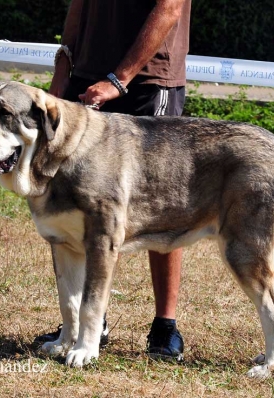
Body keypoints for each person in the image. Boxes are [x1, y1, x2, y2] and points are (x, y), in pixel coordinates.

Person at [34, 0, 191, 361]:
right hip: (87, 76)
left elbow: (169, 9)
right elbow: (77, 9)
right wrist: (63, 70)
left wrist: (119, 79)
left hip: (151, 78)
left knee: (160, 205)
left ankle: (164, 327)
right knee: (78, 202)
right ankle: (88, 322)